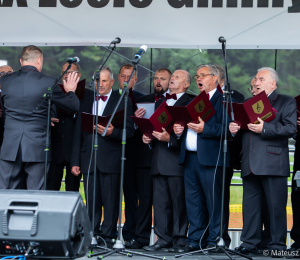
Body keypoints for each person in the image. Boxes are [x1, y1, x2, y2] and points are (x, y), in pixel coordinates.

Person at [229, 67, 297, 254]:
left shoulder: (285, 101)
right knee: (250, 207)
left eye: (261, 79)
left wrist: (265, 129)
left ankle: (276, 245)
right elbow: (243, 131)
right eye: (255, 79)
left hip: (273, 163)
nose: (256, 82)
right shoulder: (247, 103)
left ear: (272, 83)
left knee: (276, 208)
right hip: (250, 162)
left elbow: (290, 129)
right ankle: (249, 243)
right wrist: (234, 129)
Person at [70, 66, 134, 248]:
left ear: (112, 82)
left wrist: (113, 132)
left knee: (111, 201)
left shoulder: (123, 101)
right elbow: (77, 134)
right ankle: (91, 236)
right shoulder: (85, 102)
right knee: (91, 202)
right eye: (98, 80)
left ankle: (108, 236)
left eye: (105, 80)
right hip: (88, 158)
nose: (101, 84)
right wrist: (75, 161)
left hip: (111, 160)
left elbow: (129, 132)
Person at [0, 45, 80, 190]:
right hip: (37, 147)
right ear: (39, 61)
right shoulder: (48, 82)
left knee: (5, 193)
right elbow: (73, 106)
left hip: (10, 147)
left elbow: (5, 109)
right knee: (35, 194)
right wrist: (70, 91)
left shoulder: (5, 82)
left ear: (20, 61)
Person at [173, 64, 230, 253]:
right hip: (189, 158)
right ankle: (195, 239)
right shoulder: (194, 100)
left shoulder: (224, 99)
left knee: (214, 202)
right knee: (194, 202)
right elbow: (185, 125)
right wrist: (178, 131)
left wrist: (205, 129)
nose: (199, 79)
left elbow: (228, 129)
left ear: (214, 78)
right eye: (197, 76)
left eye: (203, 75)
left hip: (211, 159)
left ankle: (216, 240)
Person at [142, 70, 190, 252]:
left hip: (176, 161)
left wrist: (169, 139)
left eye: (177, 77)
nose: (172, 79)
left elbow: (189, 137)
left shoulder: (189, 103)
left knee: (178, 203)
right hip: (158, 160)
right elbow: (155, 127)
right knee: (160, 203)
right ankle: (162, 238)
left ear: (186, 84)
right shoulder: (161, 101)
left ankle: (179, 240)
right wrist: (148, 138)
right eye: (173, 77)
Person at [125, 68, 172, 249]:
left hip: (168, 157)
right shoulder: (142, 101)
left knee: (167, 201)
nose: (158, 82)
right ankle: (142, 238)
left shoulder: (177, 101)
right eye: (156, 79)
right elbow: (133, 132)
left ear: (170, 81)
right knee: (144, 200)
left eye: (163, 79)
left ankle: (169, 238)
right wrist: (136, 121)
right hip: (145, 157)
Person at [48, 62, 92, 191]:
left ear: (78, 75)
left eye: (70, 71)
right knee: (51, 189)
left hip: (75, 151)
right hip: (55, 149)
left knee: (72, 190)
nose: (67, 75)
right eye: (64, 72)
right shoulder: (54, 92)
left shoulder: (89, 95)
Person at [214, 64, 244, 248]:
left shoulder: (237, 97)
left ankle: (222, 237)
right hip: (203, 154)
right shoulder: (200, 97)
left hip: (226, 155)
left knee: (222, 196)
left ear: (223, 81)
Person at [118, 64, 144, 242]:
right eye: (123, 76)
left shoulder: (144, 100)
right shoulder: (109, 98)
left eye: (130, 77)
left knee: (132, 196)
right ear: (117, 78)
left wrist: (137, 121)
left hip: (134, 155)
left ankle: (131, 233)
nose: (126, 80)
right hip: (109, 153)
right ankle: (106, 233)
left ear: (136, 79)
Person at [0, 65, 14, 148]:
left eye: (9, 73)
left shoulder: (20, 93)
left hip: (13, 135)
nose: (6, 75)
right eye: (2, 73)